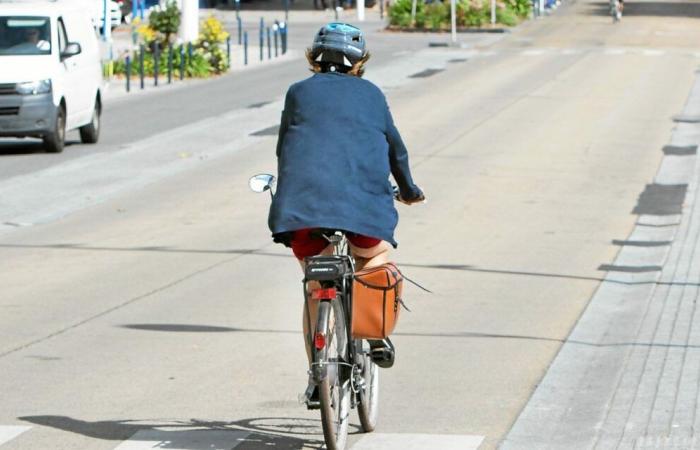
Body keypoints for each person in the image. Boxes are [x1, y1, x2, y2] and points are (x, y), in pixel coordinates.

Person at [268, 22, 424, 407]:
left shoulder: (298, 93)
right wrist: (408, 190)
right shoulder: (371, 95)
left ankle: (315, 375)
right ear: (359, 62)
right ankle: (373, 331)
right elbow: (395, 150)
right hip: (362, 207)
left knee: (314, 286)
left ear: (314, 58)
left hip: (303, 209)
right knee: (376, 256)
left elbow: (285, 149)